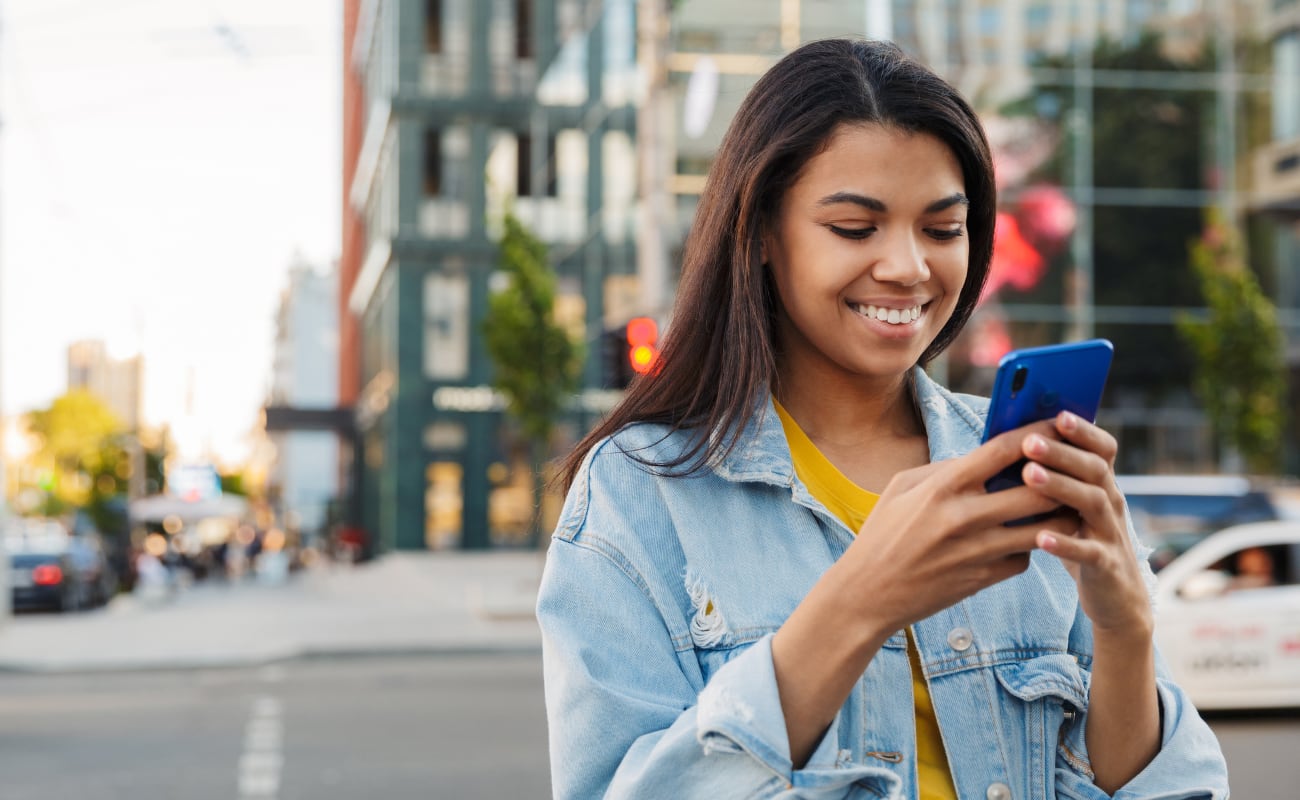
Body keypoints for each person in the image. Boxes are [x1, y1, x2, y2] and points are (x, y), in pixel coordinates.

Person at [537, 39, 1228, 800]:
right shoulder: (641, 491)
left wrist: (1126, 635)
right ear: (763, 234)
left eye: (942, 229)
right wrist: (859, 601)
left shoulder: (1020, 466)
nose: (908, 267)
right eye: (855, 228)